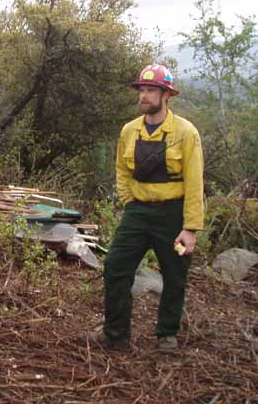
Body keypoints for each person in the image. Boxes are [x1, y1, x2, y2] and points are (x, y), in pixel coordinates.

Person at [83, 64, 204, 353]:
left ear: (167, 95)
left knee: (175, 274)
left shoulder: (185, 132)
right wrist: (129, 202)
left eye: (151, 90)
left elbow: (195, 181)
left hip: (174, 216)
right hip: (137, 213)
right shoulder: (129, 131)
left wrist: (190, 228)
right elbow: (122, 170)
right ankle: (115, 334)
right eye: (142, 90)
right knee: (115, 266)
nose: (144, 95)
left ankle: (167, 335)